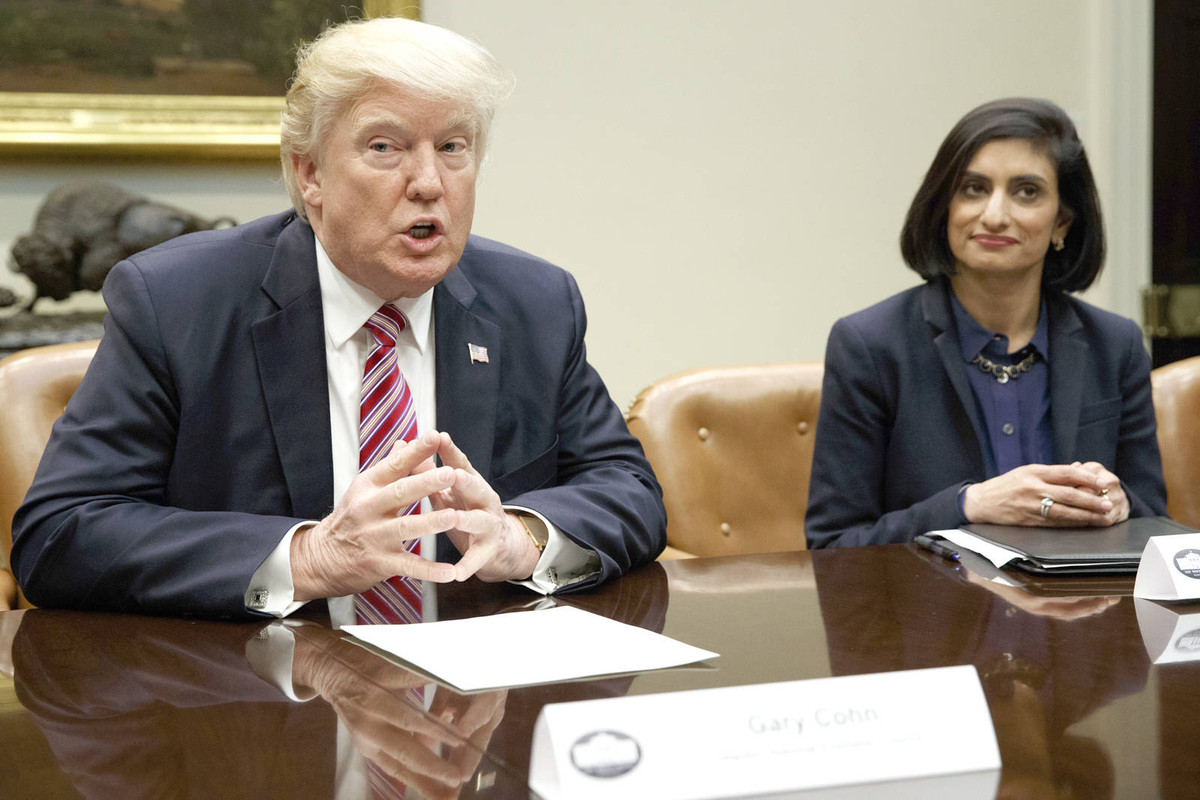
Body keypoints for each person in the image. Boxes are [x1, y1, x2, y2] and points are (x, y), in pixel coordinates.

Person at [11, 17, 666, 618]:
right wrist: (306, 557)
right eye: (386, 147)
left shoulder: (535, 303)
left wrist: (521, 536)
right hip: (261, 711)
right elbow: (60, 534)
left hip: (475, 707)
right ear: (310, 173)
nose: (429, 182)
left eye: (453, 147)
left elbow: (628, 490)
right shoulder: (175, 302)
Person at [805, 97, 1167, 549]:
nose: (994, 214)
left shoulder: (1116, 346)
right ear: (945, 209)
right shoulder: (869, 346)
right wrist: (967, 506)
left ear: (1062, 223)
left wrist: (1120, 503)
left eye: (1027, 192)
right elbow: (833, 545)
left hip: (1079, 615)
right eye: (974, 188)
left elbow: (1154, 524)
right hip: (928, 616)